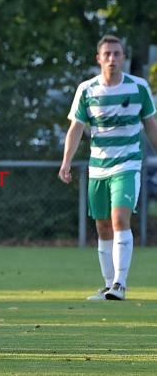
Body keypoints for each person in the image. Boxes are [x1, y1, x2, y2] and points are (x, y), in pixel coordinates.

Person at [59, 34, 157, 301]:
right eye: (107, 54)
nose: (112, 58)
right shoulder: (87, 90)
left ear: (123, 57)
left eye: (117, 53)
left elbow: (151, 126)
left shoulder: (138, 88)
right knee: (103, 227)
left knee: (119, 220)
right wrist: (66, 161)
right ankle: (107, 286)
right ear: (99, 58)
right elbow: (76, 128)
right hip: (98, 167)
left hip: (127, 164)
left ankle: (120, 284)